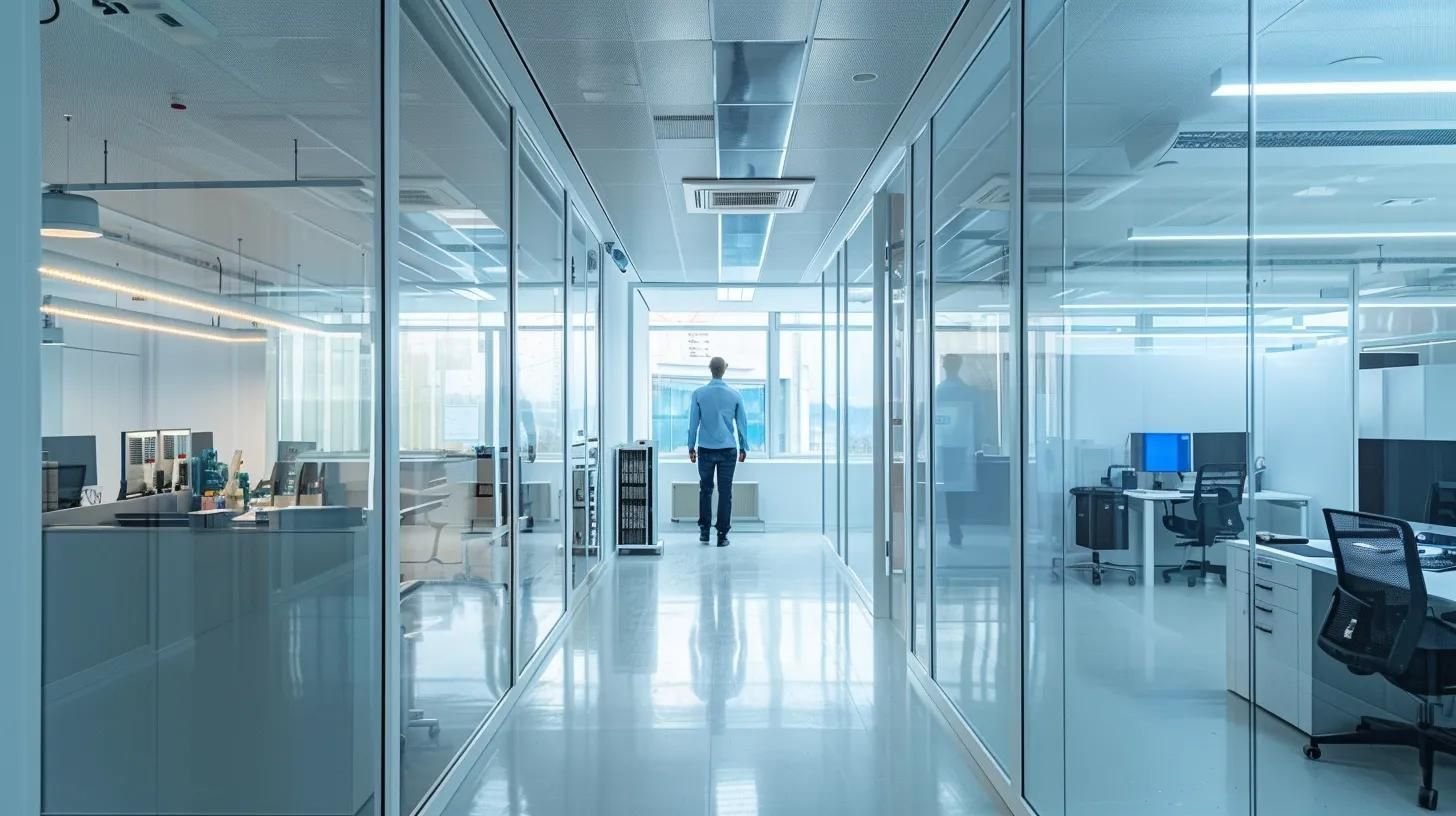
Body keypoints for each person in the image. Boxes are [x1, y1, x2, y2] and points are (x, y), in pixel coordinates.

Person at [687, 356, 749, 547]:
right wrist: (743, 447)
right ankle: (722, 535)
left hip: (705, 449)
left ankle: (704, 532)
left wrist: (691, 446)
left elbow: (693, 423)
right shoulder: (735, 394)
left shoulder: (698, 394)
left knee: (705, 490)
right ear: (725, 369)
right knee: (725, 492)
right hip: (728, 450)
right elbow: (741, 424)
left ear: (709, 368)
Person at [935, 354, 979, 548]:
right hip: (961, 446)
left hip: (948, 446)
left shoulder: (941, 391)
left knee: (953, 490)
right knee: (958, 489)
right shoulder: (966, 391)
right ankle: (956, 527)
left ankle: (955, 529)